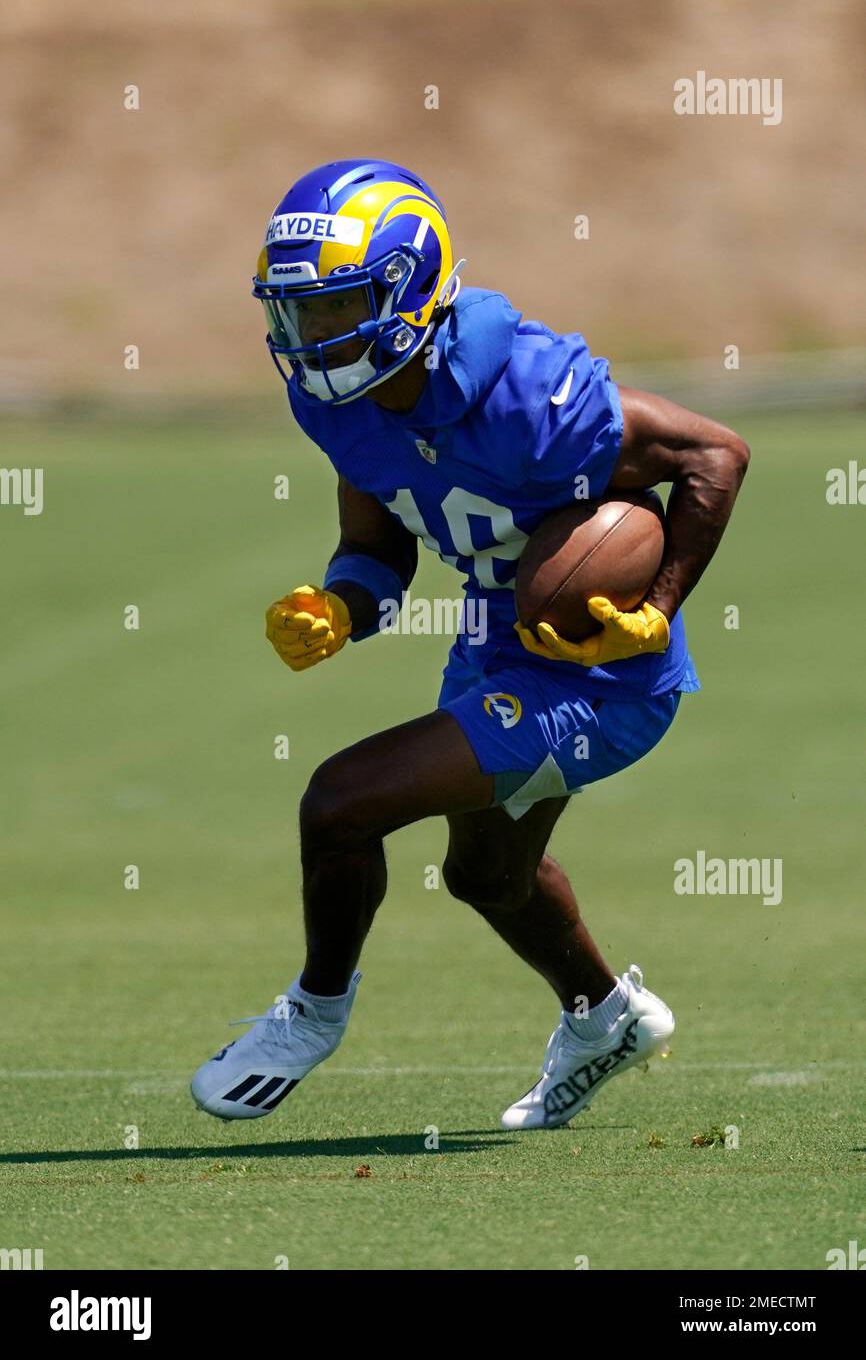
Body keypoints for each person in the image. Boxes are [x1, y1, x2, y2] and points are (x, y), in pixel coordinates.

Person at [191, 158, 749, 1130]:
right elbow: (377, 543)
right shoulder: (338, 399)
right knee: (484, 874)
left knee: (338, 800)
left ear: (407, 292)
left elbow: (713, 453)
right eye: (297, 312)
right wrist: (340, 605)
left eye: (334, 308)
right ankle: (604, 1017)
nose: (309, 337)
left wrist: (655, 604)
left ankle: (312, 1015)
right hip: (494, 642)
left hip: (601, 679)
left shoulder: (529, 392)